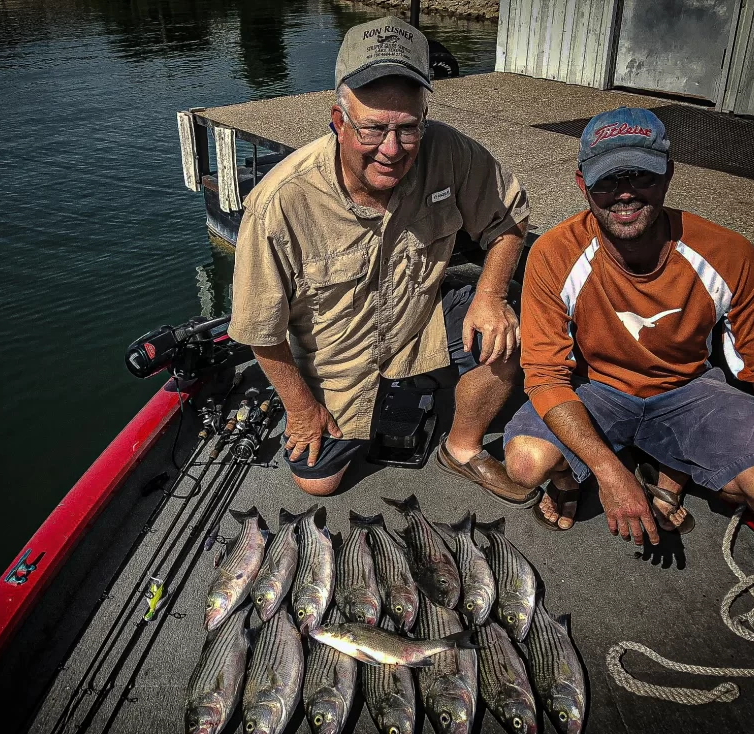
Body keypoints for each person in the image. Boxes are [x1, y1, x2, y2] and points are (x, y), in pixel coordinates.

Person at [502, 106, 754, 557]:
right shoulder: (553, 253)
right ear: (583, 183)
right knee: (526, 463)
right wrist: (609, 473)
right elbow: (545, 375)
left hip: (689, 388)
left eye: (641, 177)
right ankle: (619, 468)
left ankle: (666, 467)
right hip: (599, 388)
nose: (625, 195)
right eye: (608, 180)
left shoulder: (730, 253)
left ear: (667, 175)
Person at [228, 16, 538, 502]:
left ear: (424, 119)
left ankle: (461, 448)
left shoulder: (448, 150)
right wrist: (302, 408)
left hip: (420, 324)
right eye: (373, 129)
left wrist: (491, 296)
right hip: (337, 358)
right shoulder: (279, 202)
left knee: (505, 335)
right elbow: (258, 332)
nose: (392, 150)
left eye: (408, 129)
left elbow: (509, 218)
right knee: (318, 484)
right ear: (338, 120)